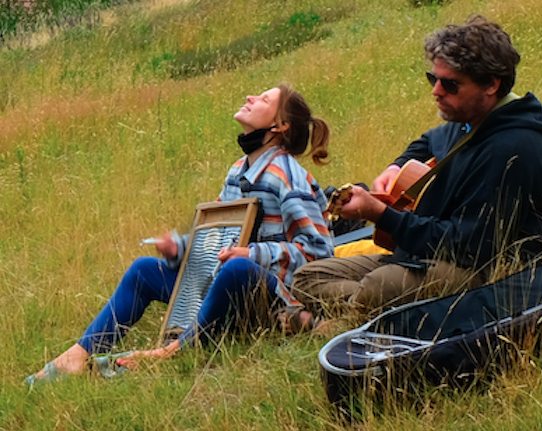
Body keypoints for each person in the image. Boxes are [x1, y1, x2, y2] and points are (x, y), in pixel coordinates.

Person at [26, 85, 333, 383]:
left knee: (237, 267)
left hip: (268, 301)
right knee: (143, 270)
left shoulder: (287, 175)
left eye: (264, 99)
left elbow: (318, 253)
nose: (251, 97)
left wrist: (252, 255)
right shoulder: (237, 171)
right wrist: (182, 249)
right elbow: (219, 237)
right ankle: (79, 355)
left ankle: (173, 351)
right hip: (223, 292)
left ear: (280, 125)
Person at [292, 14, 542, 317]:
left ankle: (360, 313)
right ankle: (371, 309)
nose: (436, 91)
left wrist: (381, 214)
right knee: (306, 277)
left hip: (482, 272)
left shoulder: (512, 148)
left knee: (379, 286)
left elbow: (466, 246)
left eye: (450, 84)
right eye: (433, 79)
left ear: (491, 85)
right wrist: (399, 166)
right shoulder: (470, 122)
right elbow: (430, 141)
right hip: (426, 254)